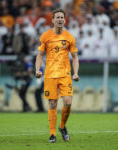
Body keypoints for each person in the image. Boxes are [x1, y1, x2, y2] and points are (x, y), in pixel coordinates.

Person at [35, 8, 79, 143]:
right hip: (50, 75)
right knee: (52, 104)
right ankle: (52, 134)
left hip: (65, 74)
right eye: (57, 17)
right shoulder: (45, 36)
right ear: (53, 20)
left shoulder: (70, 37)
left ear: (64, 20)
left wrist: (75, 73)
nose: (60, 19)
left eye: (62, 18)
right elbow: (40, 54)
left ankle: (62, 126)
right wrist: (38, 69)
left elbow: (75, 57)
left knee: (68, 102)